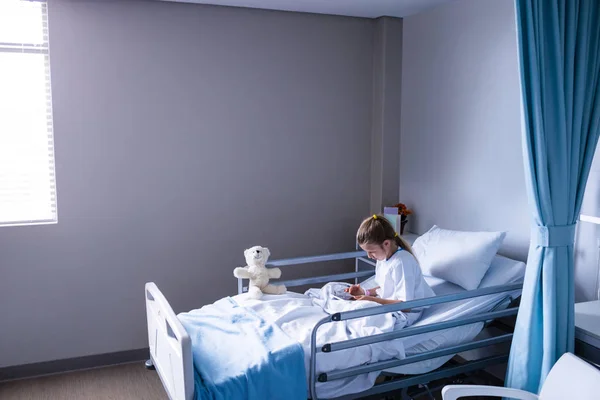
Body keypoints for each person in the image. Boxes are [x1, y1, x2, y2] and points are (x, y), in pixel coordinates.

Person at [345, 214, 435, 326]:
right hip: (389, 305)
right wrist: (364, 292)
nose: (369, 256)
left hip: (405, 313)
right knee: (337, 294)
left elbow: (406, 306)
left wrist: (371, 300)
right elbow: (386, 287)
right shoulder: (384, 257)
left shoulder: (402, 263)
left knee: (359, 322)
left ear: (386, 244)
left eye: (371, 251)